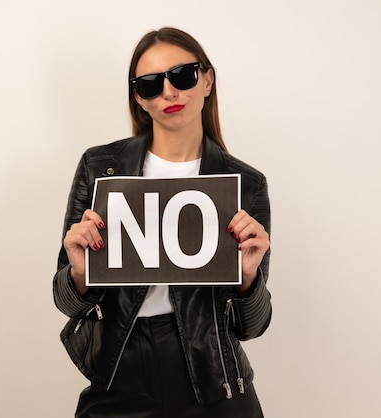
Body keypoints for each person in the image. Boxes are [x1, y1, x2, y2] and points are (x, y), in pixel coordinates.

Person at [53, 26, 272, 418]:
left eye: (183, 75)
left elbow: (251, 326)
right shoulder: (100, 167)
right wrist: (80, 273)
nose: (169, 92)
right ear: (139, 99)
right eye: (150, 84)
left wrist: (248, 278)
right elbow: (63, 299)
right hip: (121, 370)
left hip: (214, 380)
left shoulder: (246, 185)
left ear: (207, 80)